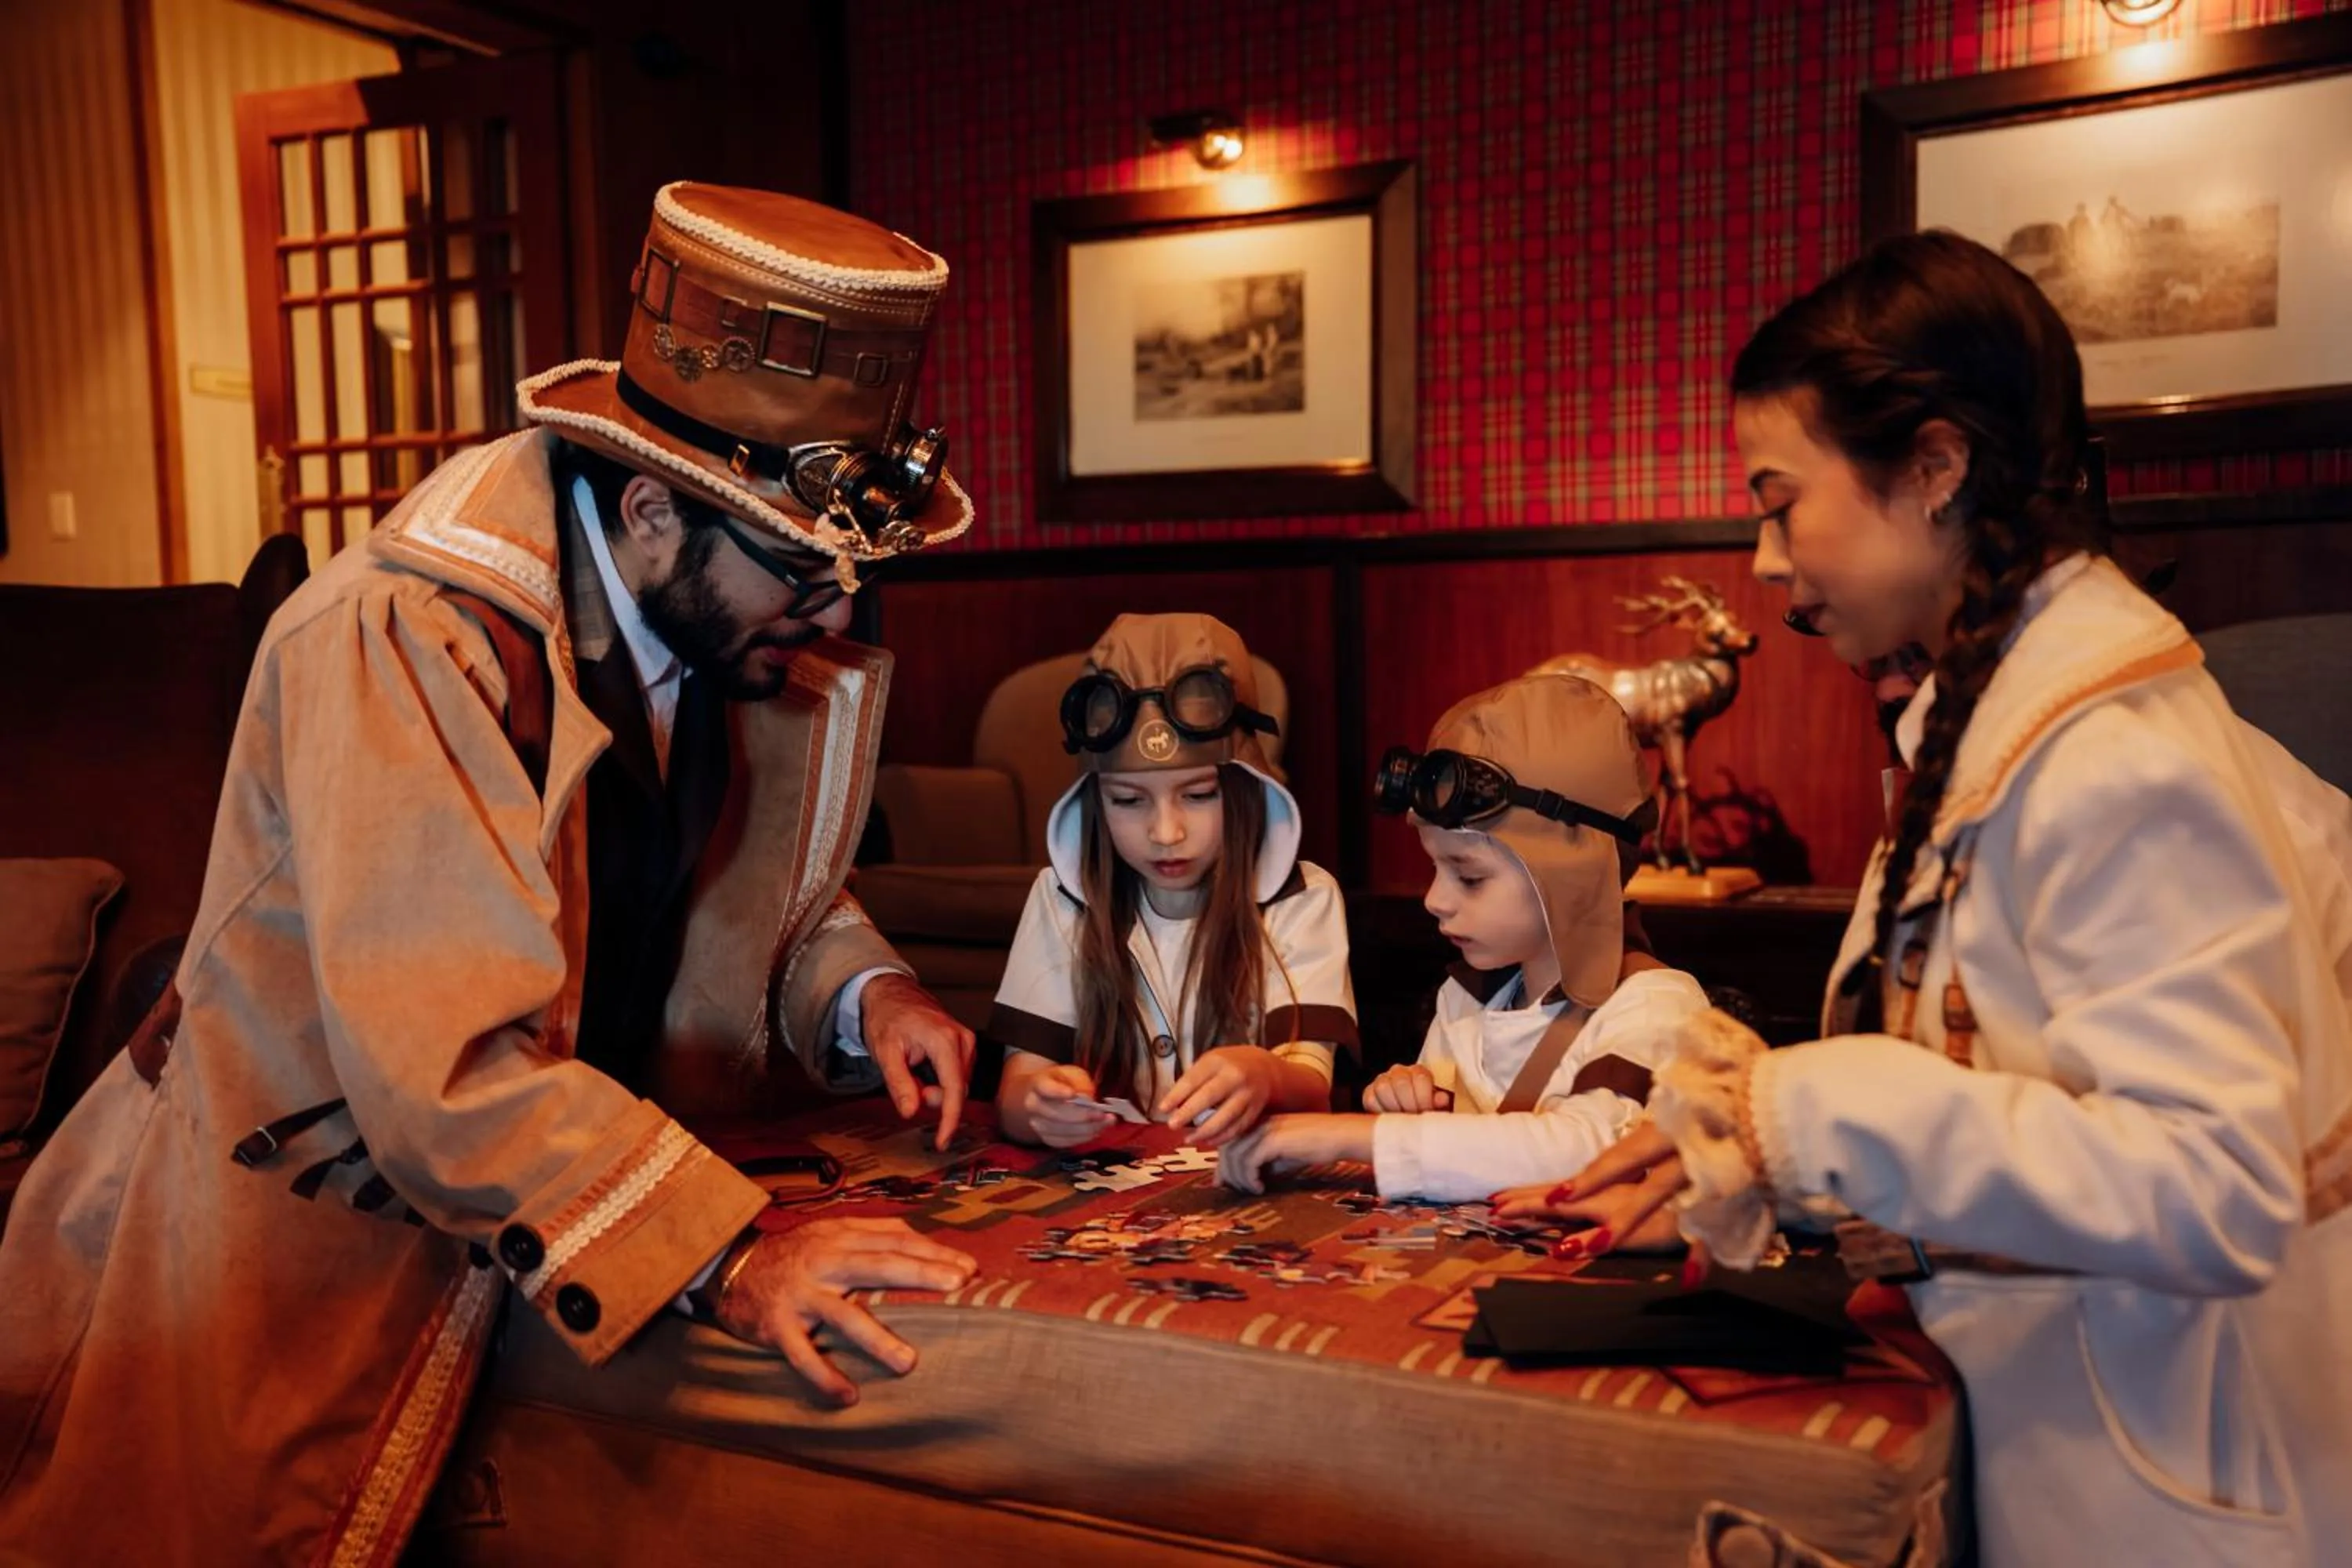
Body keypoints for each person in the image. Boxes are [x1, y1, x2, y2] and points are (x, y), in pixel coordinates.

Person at [0, 183, 989, 1565]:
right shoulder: (404, 636)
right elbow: (443, 1062)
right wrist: (731, 1254)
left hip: (541, 1218)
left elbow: (727, 892)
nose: (836, 611)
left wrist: (867, 992)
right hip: (293, 1254)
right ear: (653, 507)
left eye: (857, 574)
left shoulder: (716, 622)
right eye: (801, 570)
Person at [1548, 230, 2352, 1566]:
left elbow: (2218, 1182)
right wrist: (1770, 1155)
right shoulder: (1996, 729)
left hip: (2162, 1480)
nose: (1763, 560)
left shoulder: (2117, 761)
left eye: (1779, 502)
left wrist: (1811, 1113)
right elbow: (2010, 1088)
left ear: (1934, 467)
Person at [1218, 676, 1709, 1205]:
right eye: (1436, 868)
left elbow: (1587, 1152)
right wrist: (1407, 1104)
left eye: (1470, 877)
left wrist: (1355, 1136)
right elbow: (1451, 1155)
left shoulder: (1655, 1005)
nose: (1435, 899)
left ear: (1571, 874)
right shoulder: (1466, 1001)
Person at [991, 614, 1356, 1149]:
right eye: (1128, 800)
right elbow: (1015, 1094)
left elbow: (1311, 1089)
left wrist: (1265, 1074)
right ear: (1095, 799)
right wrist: (1037, 1105)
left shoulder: (1302, 899)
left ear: (1247, 786)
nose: (1166, 832)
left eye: (1199, 794)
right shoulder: (1062, 899)